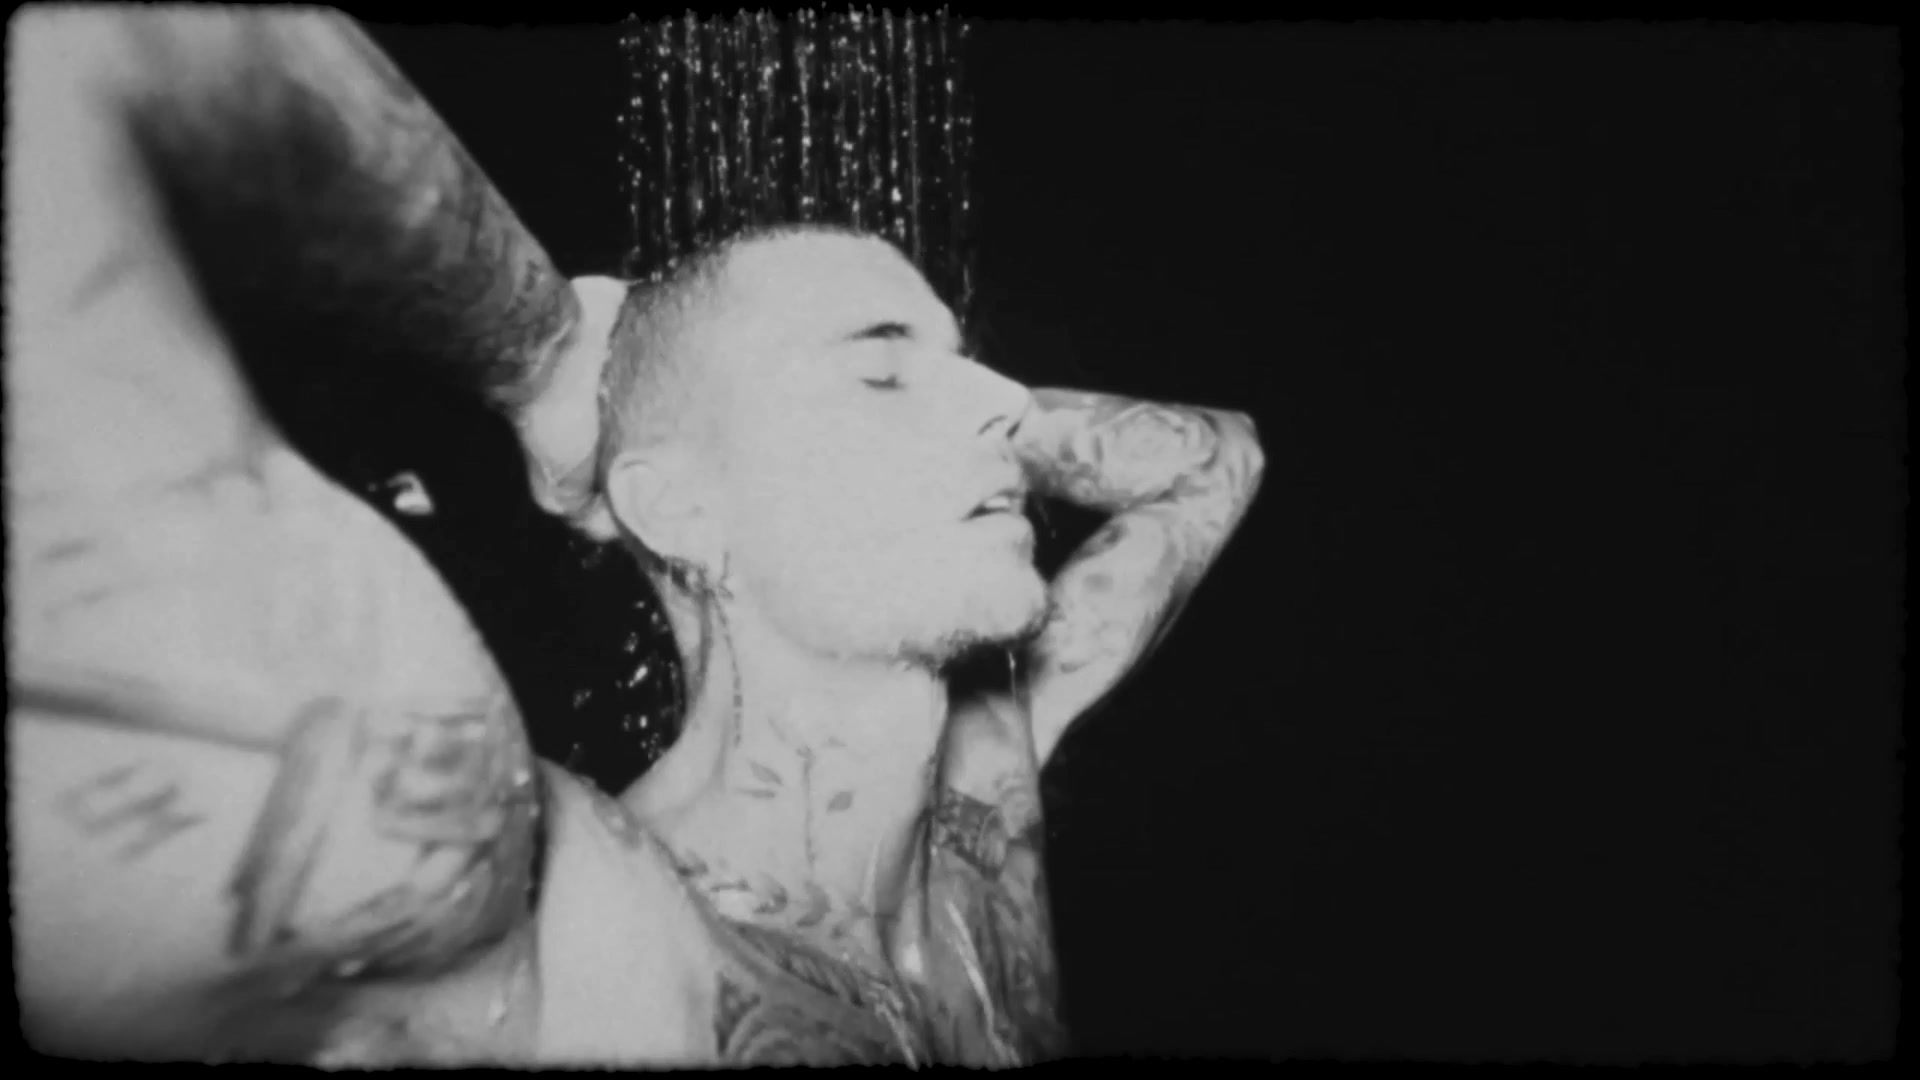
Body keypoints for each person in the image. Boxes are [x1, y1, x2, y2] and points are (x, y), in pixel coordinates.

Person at [8, 10, 1263, 1065]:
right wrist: (542, 353)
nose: (1005, 401)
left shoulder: (984, 800)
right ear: (678, 511)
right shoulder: (552, 931)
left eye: (970, 362)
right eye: (879, 371)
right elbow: (96, 53)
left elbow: (1213, 458)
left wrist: (949, 407)